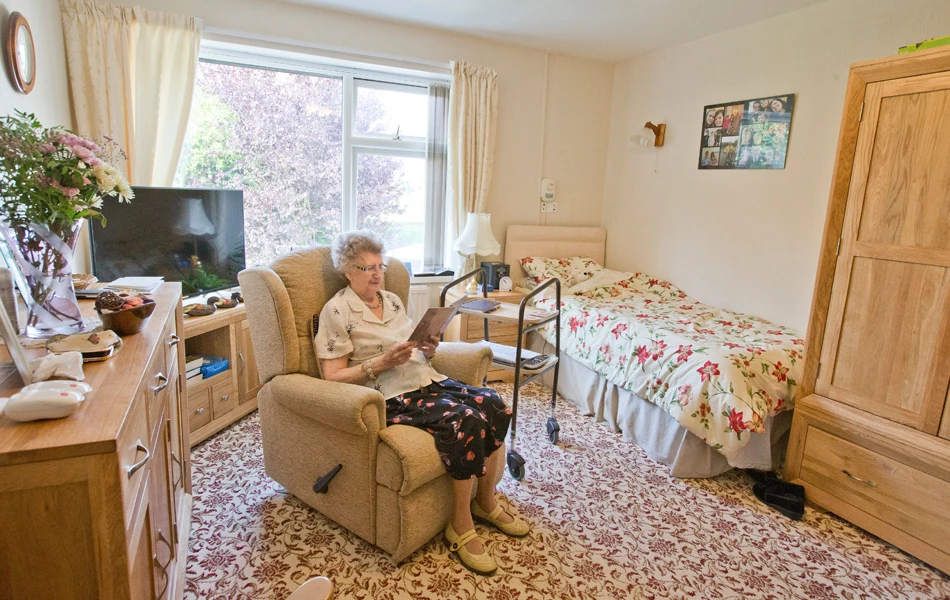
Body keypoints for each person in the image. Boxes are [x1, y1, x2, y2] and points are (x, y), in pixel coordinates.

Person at [315, 230, 528, 576]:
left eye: (379, 266)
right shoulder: (336, 311)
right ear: (347, 269)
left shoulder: (393, 300)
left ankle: (485, 502)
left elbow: (412, 345)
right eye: (367, 268)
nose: (377, 274)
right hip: (390, 395)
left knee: (493, 403)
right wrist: (380, 363)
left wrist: (428, 348)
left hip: (426, 379)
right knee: (465, 419)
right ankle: (459, 524)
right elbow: (332, 377)